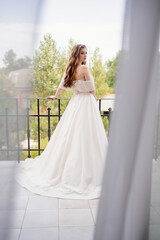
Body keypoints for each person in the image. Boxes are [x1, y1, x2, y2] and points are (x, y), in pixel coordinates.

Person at [15, 44, 108, 199]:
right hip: (86, 102)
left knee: (72, 133)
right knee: (87, 134)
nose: (85, 56)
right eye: (83, 53)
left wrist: (55, 96)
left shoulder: (69, 68)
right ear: (77, 54)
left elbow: (62, 85)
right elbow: (92, 88)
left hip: (76, 101)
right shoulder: (84, 69)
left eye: (86, 53)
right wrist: (95, 96)